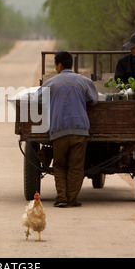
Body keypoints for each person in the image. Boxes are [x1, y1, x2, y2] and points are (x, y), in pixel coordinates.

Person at [37, 52, 98, 207]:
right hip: (80, 130)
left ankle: (61, 198)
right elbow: (94, 100)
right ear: (70, 64)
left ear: (59, 65)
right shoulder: (84, 81)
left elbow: (37, 99)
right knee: (76, 166)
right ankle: (72, 199)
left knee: (59, 165)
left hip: (60, 130)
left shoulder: (51, 83)